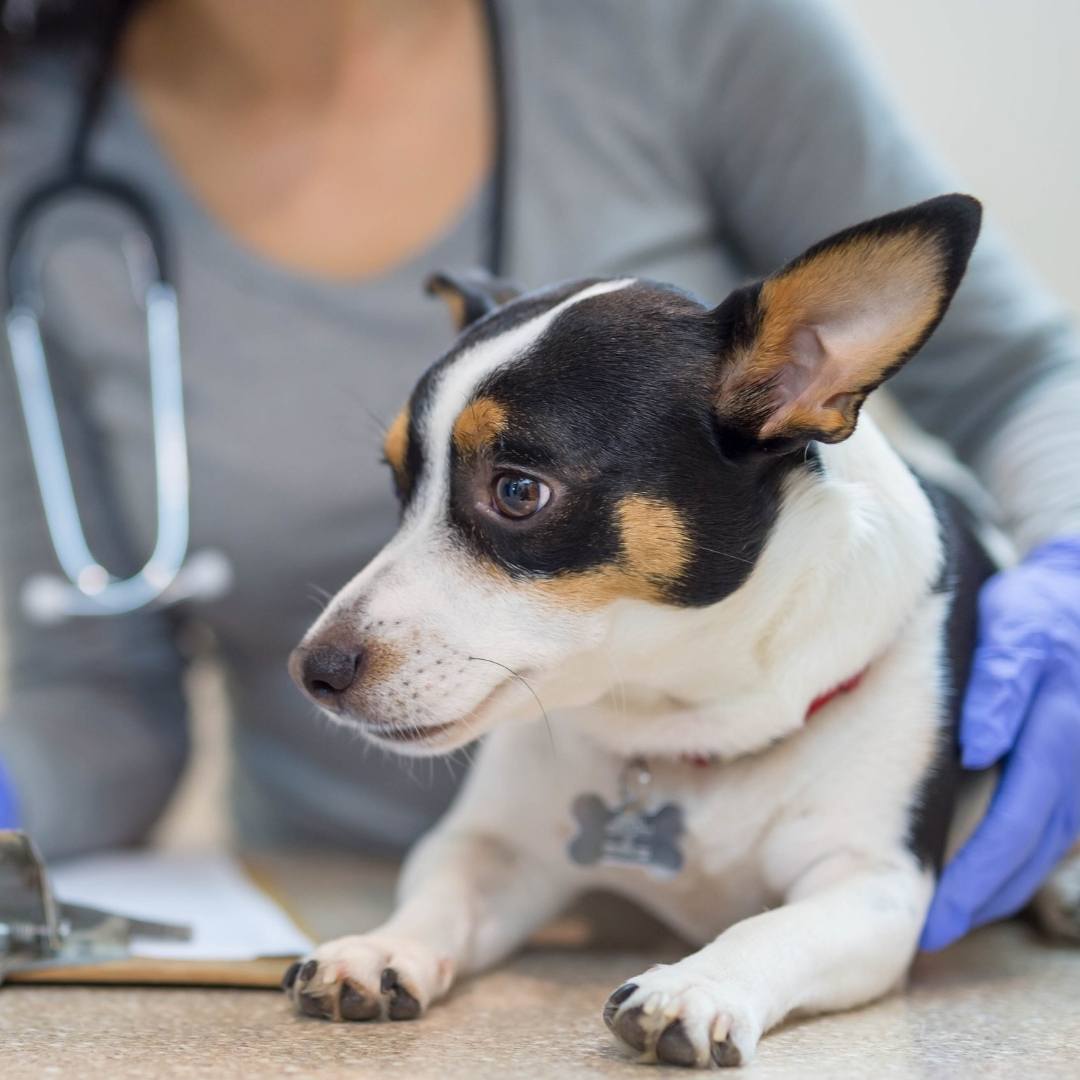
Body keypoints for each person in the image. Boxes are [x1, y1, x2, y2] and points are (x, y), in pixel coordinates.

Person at [0, 0, 1076, 952]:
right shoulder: (26, 137)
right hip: (341, 907)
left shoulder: (685, 25)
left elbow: (1025, 375)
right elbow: (94, 691)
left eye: (516, 492)